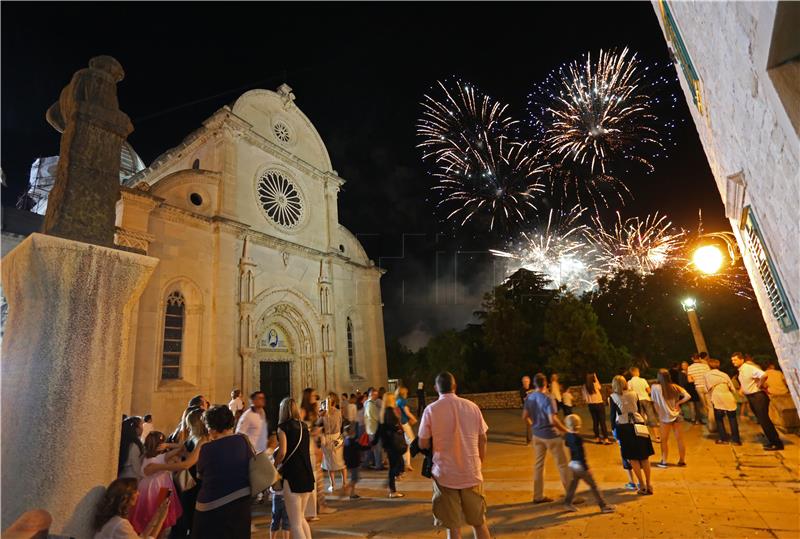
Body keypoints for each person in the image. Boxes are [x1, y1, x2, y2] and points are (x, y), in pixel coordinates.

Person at [418, 372, 491, 539]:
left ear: (436, 388)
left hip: (444, 475)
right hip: (471, 473)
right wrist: (479, 462)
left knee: (453, 527)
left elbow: (422, 443)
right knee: (479, 523)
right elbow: (483, 438)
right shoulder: (472, 407)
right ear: (454, 386)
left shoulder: (431, 410)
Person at [192, 405, 251, 538]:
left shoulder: (207, 448)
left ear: (212, 428)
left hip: (211, 506)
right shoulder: (243, 441)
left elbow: (200, 474)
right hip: (241, 504)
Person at [523, 373, 573, 504]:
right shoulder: (548, 398)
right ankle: (570, 495)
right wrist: (566, 430)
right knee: (562, 465)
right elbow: (553, 420)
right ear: (546, 384)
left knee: (539, 466)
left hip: (537, 436)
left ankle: (538, 496)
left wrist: (534, 425)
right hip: (551, 435)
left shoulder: (530, 397)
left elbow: (525, 416)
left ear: (534, 384)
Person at [128, 432, 184, 536]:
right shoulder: (164, 457)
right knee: (161, 516)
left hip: (145, 487)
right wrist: (168, 445)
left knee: (146, 515)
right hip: (162, 487)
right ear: (161, 445)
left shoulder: (144, 456)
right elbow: (183, 447)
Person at [275, 397, 315, 539]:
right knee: (301, 518)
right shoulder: (304, 426)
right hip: (307, 474)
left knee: (295, 524)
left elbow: (283, 452)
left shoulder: (283, 428)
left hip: (292, 476)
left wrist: (275, 466)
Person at [608, 376, 655, 495]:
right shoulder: (634, 394)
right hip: (638, 423)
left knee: (632, 457)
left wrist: (614, 431)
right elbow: (638, 409)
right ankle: (649, 484)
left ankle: (642, 485)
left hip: (624, 427)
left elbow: (613, 416)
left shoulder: (613, 397)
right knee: (644, 457)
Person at [562, 415, 615, 513]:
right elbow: (581, 454)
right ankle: (603, 506)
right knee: (593, 486)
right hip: (580, 466)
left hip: (572, 464)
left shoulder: (568, 435)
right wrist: (586, 467)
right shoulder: (578, 438)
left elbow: (567, 444)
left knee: (573, 485)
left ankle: (567, 503)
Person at [732, 352, 784, 450]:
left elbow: (764, 375)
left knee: (764, 420)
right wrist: (742, 390)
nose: (733, 362)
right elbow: (746, 382)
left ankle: (777, 443)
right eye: (732, 360)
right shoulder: (741, 370)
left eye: (735, 360)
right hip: (752, 397)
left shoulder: (748, 368)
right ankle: (772, 441)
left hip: (758, 397)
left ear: (741, 360)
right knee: (762, 420)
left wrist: (760, 384)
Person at [170, 407, 207, 539]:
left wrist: (159, 466)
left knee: (189, 517)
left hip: (195, 484)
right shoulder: (194, 437)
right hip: (189, 482)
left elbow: (189, 462)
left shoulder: (202, 439)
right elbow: (185, 452)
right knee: (185, 515)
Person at [93, 478, 170, 539]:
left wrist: (158, 515)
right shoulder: (120, 524)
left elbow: (141, 537)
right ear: (126, 497)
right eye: (136, 491)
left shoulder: (114, 520)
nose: (138, 494)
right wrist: (161, 520)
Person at [651, 369, 691, 468]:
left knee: (664, 440)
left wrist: (658, 414)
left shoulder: (655, 387)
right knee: (680, 439)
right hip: (677, 415)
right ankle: (682, 460)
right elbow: (688, 396)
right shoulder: (675, 387)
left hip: (664, 417)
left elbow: (654, 402)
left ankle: (664, 461)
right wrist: (678, 403)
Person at [704, 359, 741, 445]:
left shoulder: (707, 375)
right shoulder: (724, 375)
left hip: (717, 397)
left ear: (709, 366)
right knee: (732, 418)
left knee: (719, 419)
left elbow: (706, 389)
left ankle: (723, 439)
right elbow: (732, 388)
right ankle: (736, 440)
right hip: (728, 396)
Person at [377, 392, 407, 498]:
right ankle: (391, 487)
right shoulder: (390, 412)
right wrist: (398, 429)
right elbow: (392, 427)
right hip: (394, 444)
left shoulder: (383, 412)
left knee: (395, 466)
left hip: (389, 444)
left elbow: (380, 429)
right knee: (398, 466)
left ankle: (391, 486)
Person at [318, 392, 347, 492]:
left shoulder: (323, 413)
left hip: (327, 438)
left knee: (330, 463)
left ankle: (333, 485)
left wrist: (320, 414)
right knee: (342, 462)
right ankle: (344, 483)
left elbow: (318, 424)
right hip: (337, 437)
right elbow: (340, 423)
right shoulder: (338, 412)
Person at [627, 367, 660, 442]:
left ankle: (643, 437)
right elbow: (649, 391)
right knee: (651, 417)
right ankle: (657, 437)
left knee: (641, 419)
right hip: (646, 399)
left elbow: (629, 393)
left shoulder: (629, 382)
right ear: (637, 372)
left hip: (637, 401)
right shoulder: (643, 380)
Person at [687, 353, 716, 431]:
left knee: (704, 406)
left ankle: (708, 421)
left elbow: (689, 380)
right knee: (710, 406)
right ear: (699, 358)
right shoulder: (705, 366)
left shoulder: (690, 368)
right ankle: (712, 426)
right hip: (707, 387)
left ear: (692, 359)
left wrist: (696, 379)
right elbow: (709, 376)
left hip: (698, 387)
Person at [582, 373, 611, 444]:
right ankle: (606, 439)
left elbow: (584, 398)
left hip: (591, 405)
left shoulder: (584, 387)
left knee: (595, 422)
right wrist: (596, 377)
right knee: (602, 422)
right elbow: (600, 387)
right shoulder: (595, 384)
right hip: (599, 404)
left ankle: (597, 438)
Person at [395, 386, 418, 471]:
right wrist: (414, 418)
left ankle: (407, 463)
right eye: (406, 392)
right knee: (411, 442)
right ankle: (405, 463)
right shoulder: (402, 401)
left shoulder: (397, 401)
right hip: (404, 424)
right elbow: (407, 412)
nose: (407, 394)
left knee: (406, 444)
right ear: (403, 393)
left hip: (400, 424)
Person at [364, 387, 384, 471]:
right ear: (371, 394)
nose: (377, 396)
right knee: (377, 448)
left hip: (371, 428)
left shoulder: (370, 403)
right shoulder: (370, 404)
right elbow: (377, 417)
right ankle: (378, 465)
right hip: (373, 429)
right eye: (375, 395)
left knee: (374, 448)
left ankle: (371, 463)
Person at [119, 417, 145, 481]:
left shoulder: (124, 440)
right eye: (141, 425)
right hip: (130, 477)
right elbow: (136, 467)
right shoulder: (134, 445)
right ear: (136, 428)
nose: (142, 428)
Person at [342, 423, 361, 499]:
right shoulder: (353, 441)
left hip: (349, 462)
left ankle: (352, 493)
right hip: (354, 462)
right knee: (355, 478)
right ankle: (346, 489)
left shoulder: (346, 440)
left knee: (354, 478)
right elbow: (359, 448)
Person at [520, 375, 533, 444]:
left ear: (529, 382)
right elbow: (525, 400)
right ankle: (529, 439)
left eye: (527, 381)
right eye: (524, 382)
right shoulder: (522, 390)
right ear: (522, 382)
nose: (525, 383)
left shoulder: (532, 388)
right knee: (529, 424)